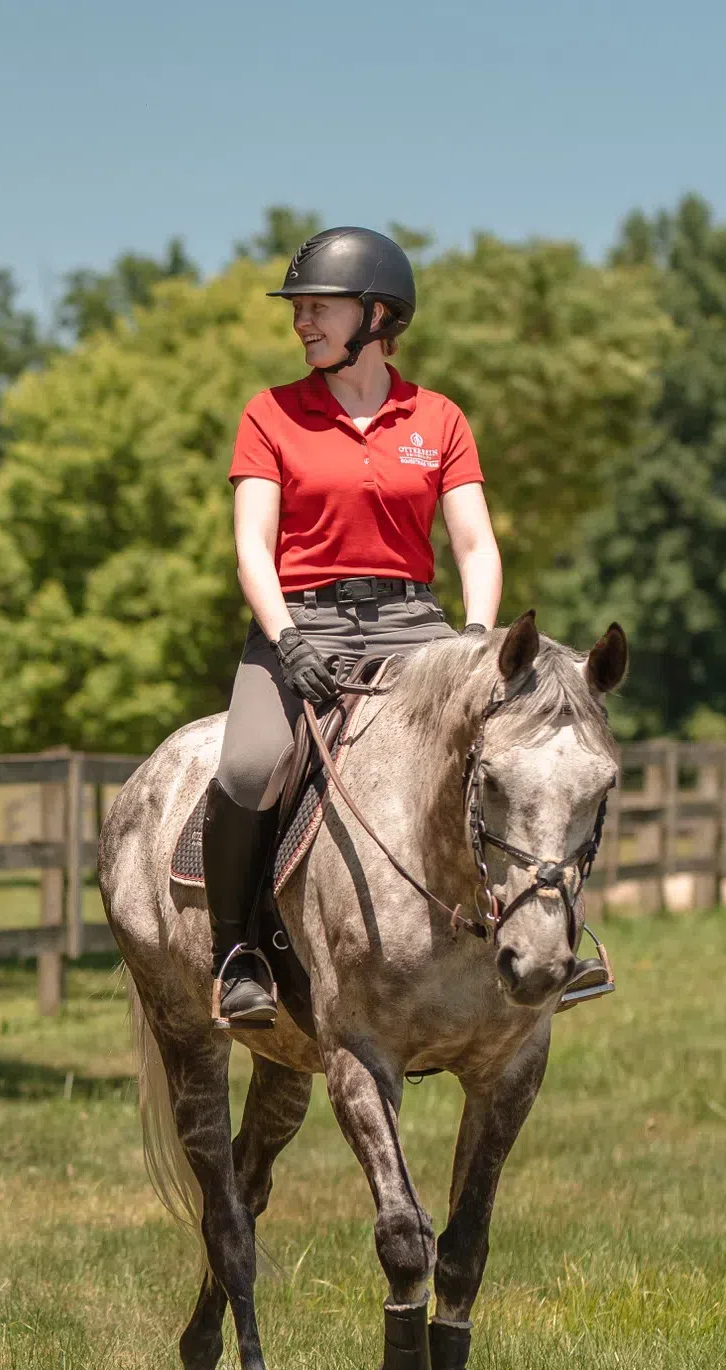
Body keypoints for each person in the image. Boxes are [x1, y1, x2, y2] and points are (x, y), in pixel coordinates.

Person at [208, 226, 503, 1028]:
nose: (302, 322)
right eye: (298, 310)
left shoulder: (438, 419)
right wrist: (286, 637)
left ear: (376, 315)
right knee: (248, 769)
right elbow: (251, 547)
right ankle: (235, 953)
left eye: (317, 308)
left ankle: (543, 937)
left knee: (511, 747)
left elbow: (474, 543)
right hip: (301, 618)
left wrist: (476, 640)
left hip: (416, 625)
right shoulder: (270, 415)